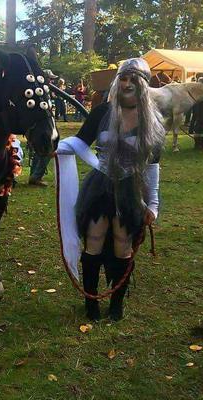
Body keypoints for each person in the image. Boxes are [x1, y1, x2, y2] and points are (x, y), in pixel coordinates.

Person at [57, 58, 165, 321]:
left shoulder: (154, 121)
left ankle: (116, 305)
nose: (127, 84)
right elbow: (80, 142)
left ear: (143, 84)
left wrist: (153, 204)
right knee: (93, 240)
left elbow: (152, 165)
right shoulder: (101, 113)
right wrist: (59, 149)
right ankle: (91, 303)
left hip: (130, 191)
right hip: (99, 188)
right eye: (123, 78)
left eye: (133, 79)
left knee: (122, 244)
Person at [189, 77, 203, 150]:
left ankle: (198, 144)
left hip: (198, 109)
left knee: (198, 126)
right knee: (198, 126)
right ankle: (198, 144)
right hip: (198, 108)